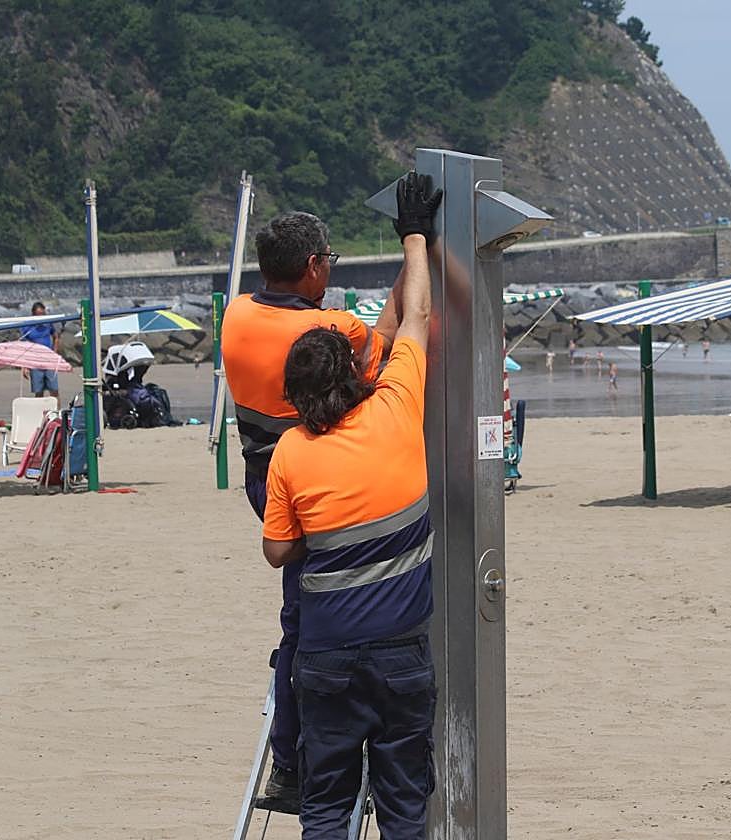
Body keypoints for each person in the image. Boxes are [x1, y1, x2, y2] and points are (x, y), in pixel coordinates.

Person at [221, 198, 424, 808]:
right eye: (329, 261)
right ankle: (299, 757)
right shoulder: (329, 331)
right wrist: (417, 248)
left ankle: (293, 755)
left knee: (303, 606)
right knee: (313, 619)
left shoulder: (233, 316)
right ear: (312, 266)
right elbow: (392, 331)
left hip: (266, 476)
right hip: (318, 469)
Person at [262, 171, 439, 837]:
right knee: (402, 806)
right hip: (399, 655)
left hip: (327, 657)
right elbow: (412, 321)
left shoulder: (291, 451)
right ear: (356, 373)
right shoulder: (394, 407)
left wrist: (320, 533)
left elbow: (276, 549)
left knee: (327, 807)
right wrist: (414, 236)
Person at [20, 302, 60, 399]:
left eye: (43, 314)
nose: (41, 317)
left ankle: (56, 412)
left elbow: (56, 337)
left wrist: (54, 353)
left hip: (49, 360)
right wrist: (24, 366)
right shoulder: (27, 326)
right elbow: (23, 346)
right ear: (33, 314)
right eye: (39, 315)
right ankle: (40, 412)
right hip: (35, 361)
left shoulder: (48, 324)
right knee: (39, 392)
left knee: (54, 391)